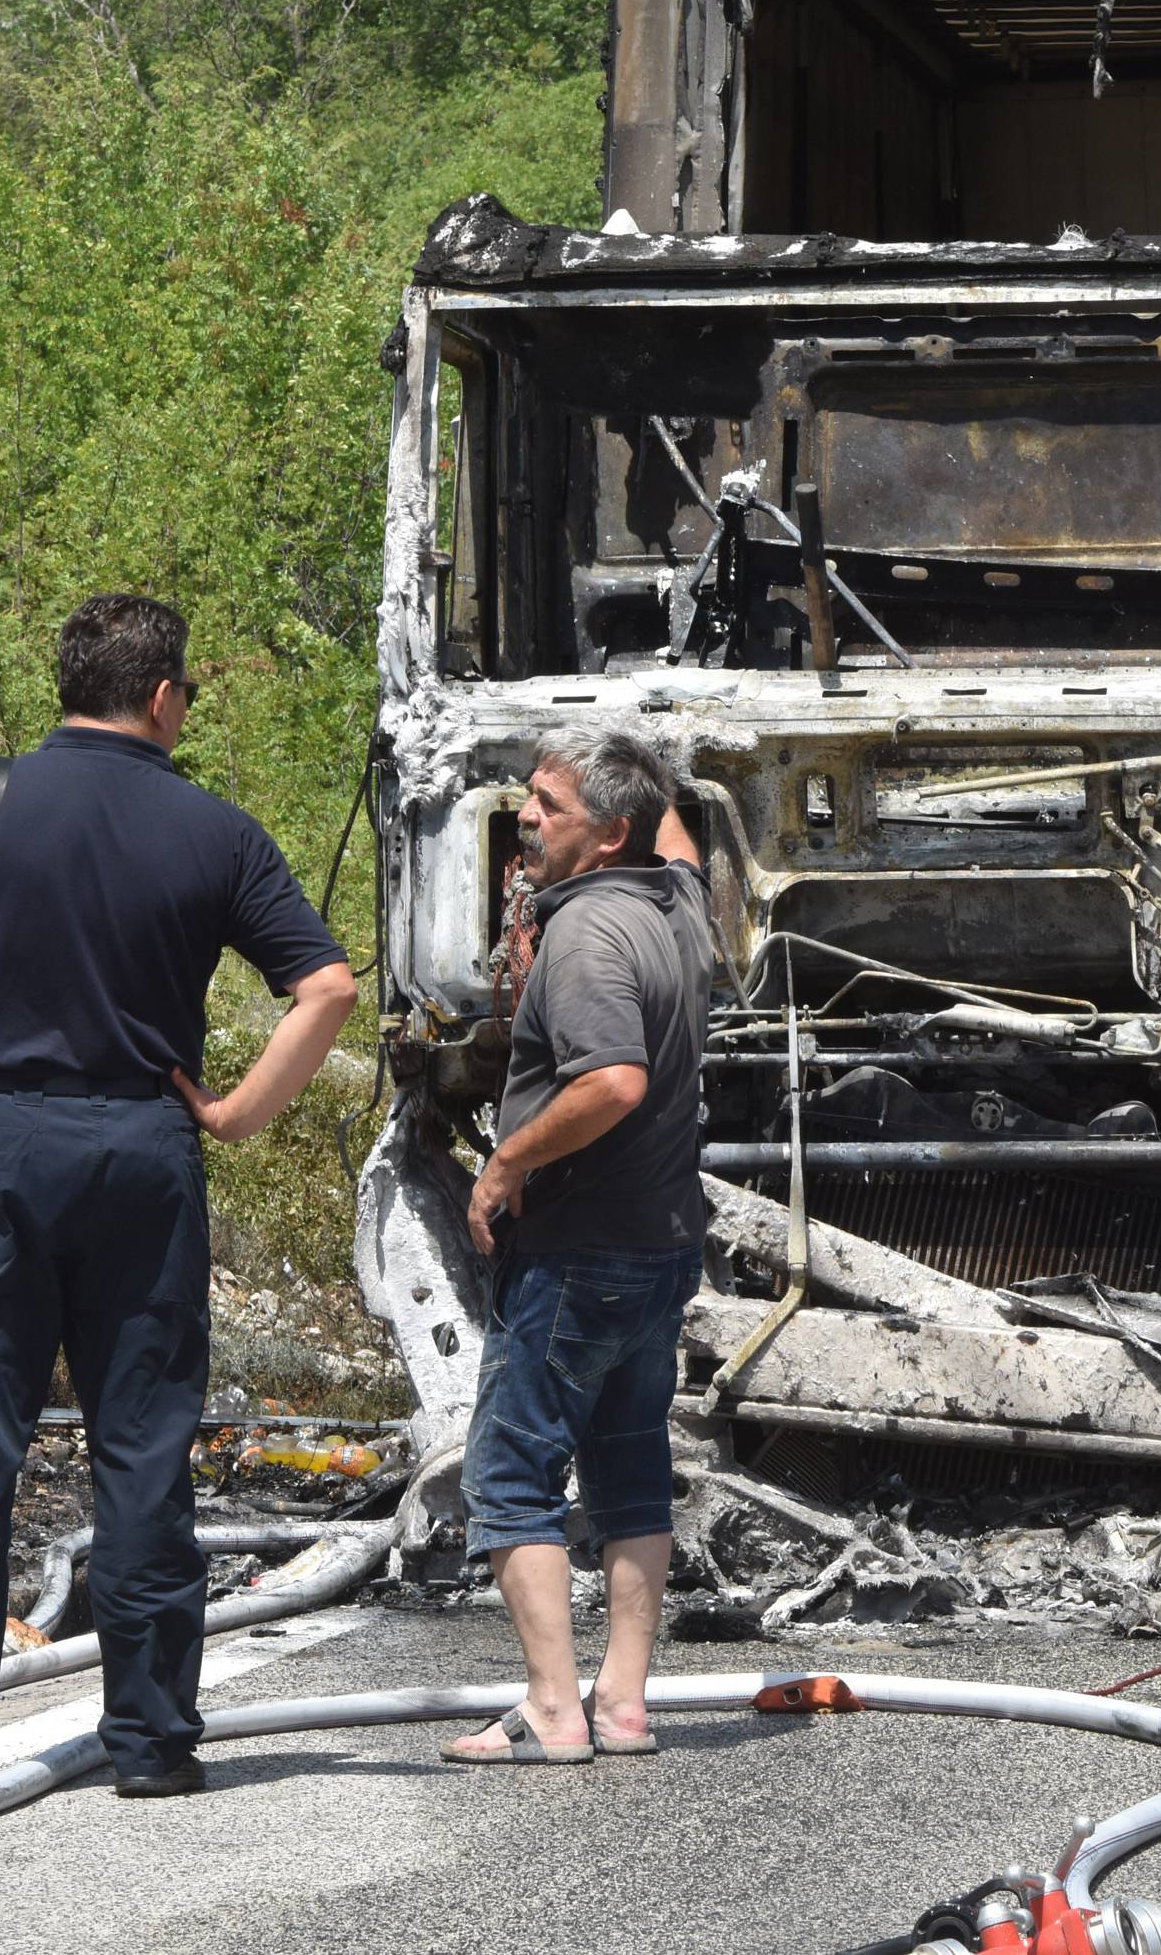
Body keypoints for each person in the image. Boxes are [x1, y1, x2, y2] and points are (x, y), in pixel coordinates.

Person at [0, 593, 356, 1801]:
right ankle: (150, 1744)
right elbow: (329, 989)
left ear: (70, 685)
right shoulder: (217, 831)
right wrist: (236, 1112)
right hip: (143, 1146)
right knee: (143, 1448)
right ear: (166, 698)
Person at [444, 724, 710, 1767]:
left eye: (550, 806)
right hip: (659, 1250)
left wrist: (506, 1163)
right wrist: (640, 746)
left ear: (607, 837)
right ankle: (625, 1706)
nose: (526, 815)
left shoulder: (591, 937)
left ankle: (555, 1711)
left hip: (575, 1253)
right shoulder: (676, 901)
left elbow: (612, 1083)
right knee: (631, 1471)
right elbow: (677, 833)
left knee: (510, 1474)